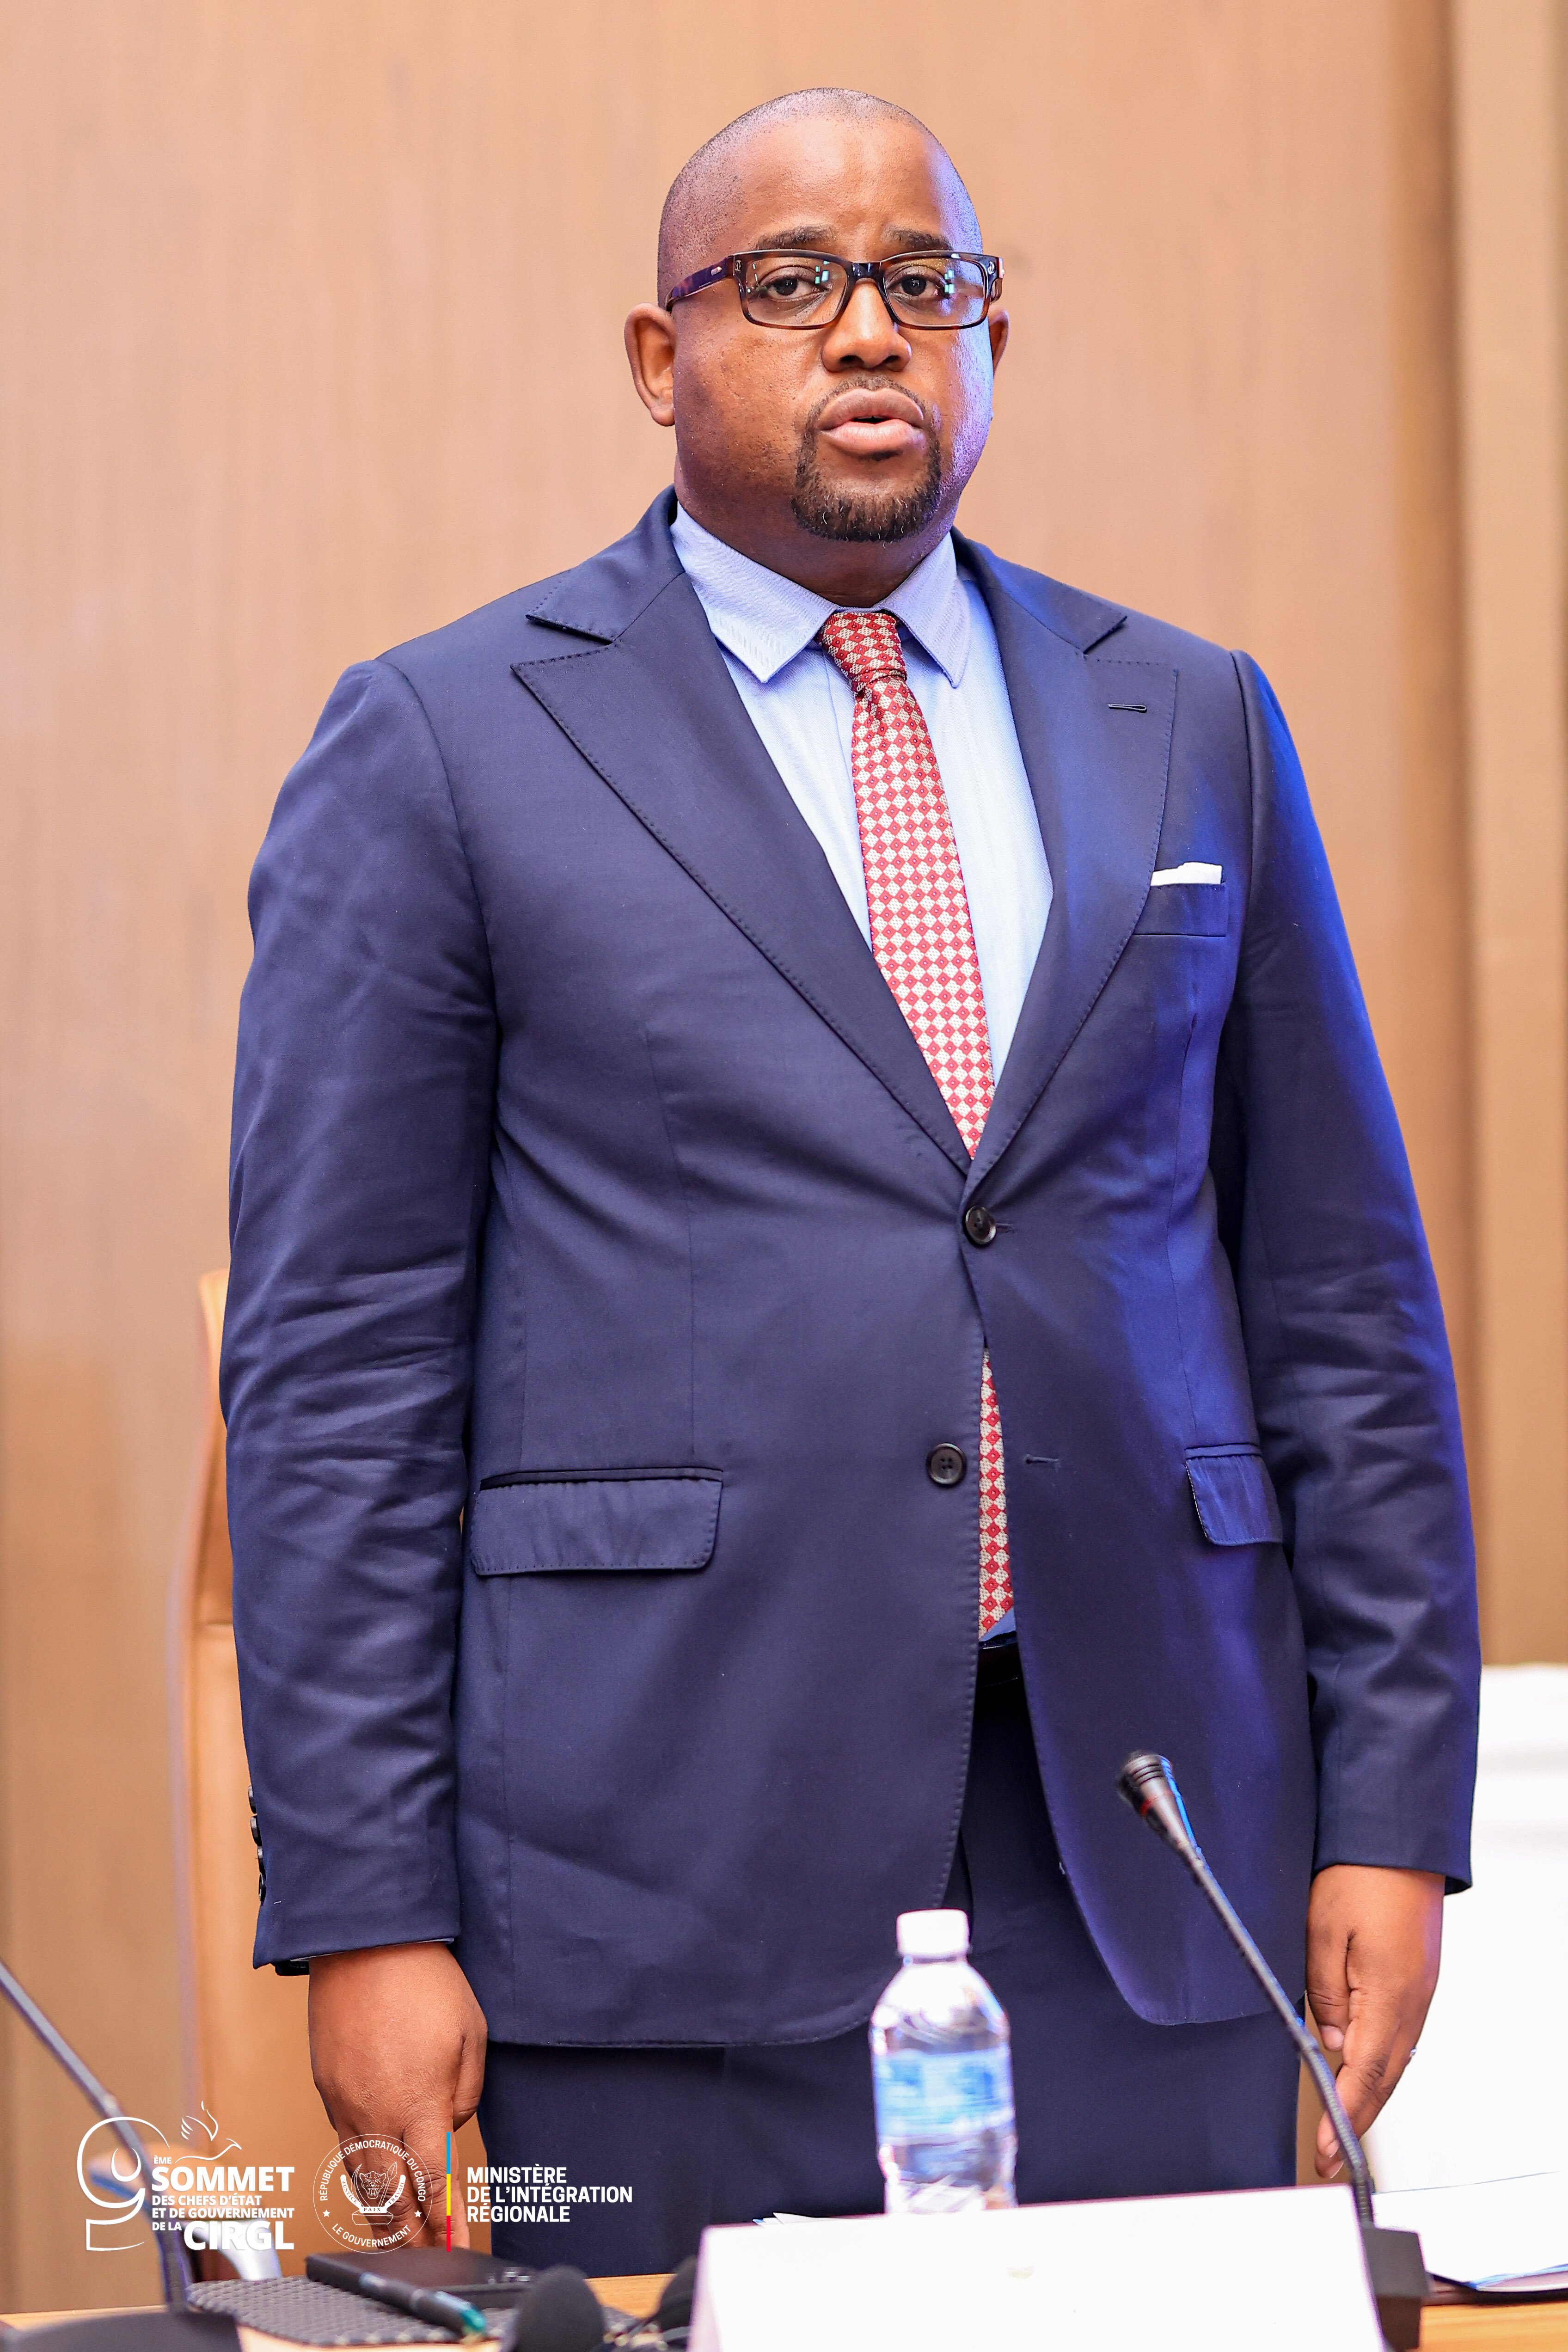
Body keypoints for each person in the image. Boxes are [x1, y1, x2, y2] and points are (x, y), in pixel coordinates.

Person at [223, 87, 1480, 2276]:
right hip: (658, 1876)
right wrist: (363, 1907)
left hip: (1154, 1856)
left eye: (926, 284)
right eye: (791, 284)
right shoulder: (444, 744)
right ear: (659, 357)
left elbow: (1340, 1308)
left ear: (991, 336)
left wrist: (1387, 1813)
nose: (872, 332)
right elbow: (338, 1373)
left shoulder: (1189, 719)